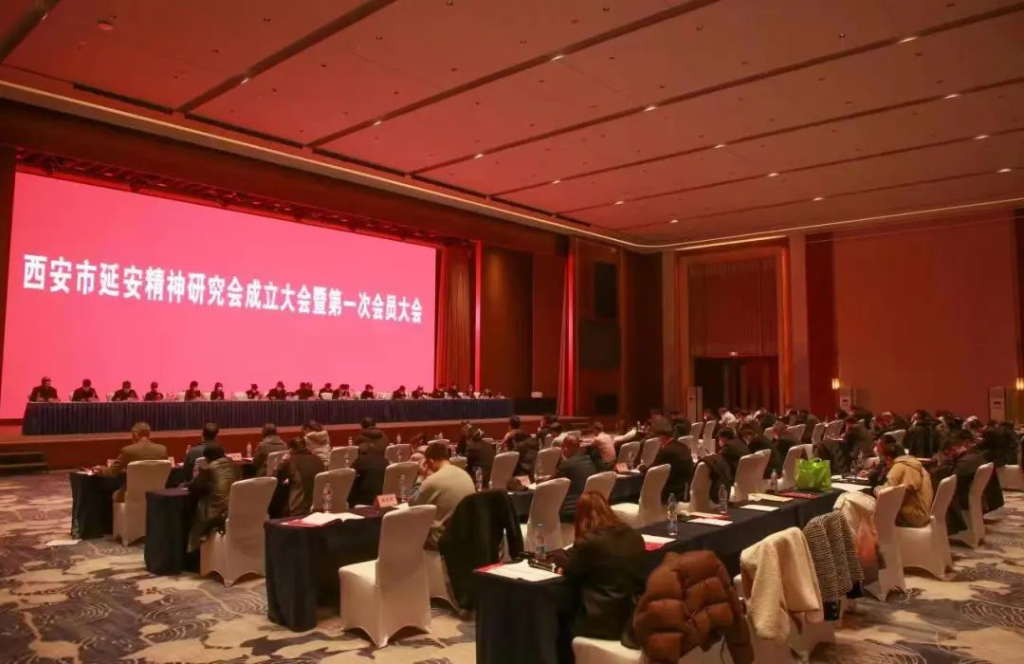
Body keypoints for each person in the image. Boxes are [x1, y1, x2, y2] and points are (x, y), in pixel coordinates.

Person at [551, 491, 646, 640]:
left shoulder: (589, 541)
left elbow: (571, 570)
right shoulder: (633, 535)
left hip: (601, 622)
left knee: (556, 622)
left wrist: (558, 555)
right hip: (631, 616)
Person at [410, 441, 476, 548]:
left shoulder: (432, 481)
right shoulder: (465, 474)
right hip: (466, 536)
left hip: (441, 541)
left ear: (430, 461)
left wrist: (421, 476)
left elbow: (412, 503)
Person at [186, 444, 240, 551]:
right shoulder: (235, 466)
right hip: (234, 509)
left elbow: (194, 488)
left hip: (217, 514)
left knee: (198, 503)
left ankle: (194, 547)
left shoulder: (209, 469)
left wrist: (198, 475)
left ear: (207, 458)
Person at [96, 422, 168, 501]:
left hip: (132, 496)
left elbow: (112, 472)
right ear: (149, 434)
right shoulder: (162, 450)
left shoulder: (128, 451)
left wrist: (100, 469)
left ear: (135, 435)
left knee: (113, 495)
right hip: (155, 495)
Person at [874, 435, 933, 527]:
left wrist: (876, 489)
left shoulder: (899, 467)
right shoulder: (917, 465)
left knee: (869, 514)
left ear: (888, 458)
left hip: (913, 517)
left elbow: (884, 494)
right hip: (923, 514)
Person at [645, 416, 694, 502]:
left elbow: (651, 472)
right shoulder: (684, 447)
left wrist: (640, 467)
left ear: (661, 436)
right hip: (684, 493)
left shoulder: (666, 451)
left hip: (670, 497)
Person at [276, 436, 326, 516]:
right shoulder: (318, 460)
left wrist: (281, 462)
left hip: (298, 511)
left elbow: (274, 478)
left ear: (290, 450)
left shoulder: (290, 461)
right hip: (319, 510)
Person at [555, 435, 600, 522]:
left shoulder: (566, 465)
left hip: (571, 512)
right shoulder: (589, 460)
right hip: (590, 508)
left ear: (565, 448)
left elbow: (552, 484)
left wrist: (562, 459)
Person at [350, 439, 389, 506]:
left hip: (366, 501)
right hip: (385, 499)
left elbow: (350, 476)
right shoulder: (385, 461)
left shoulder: (360, 461)